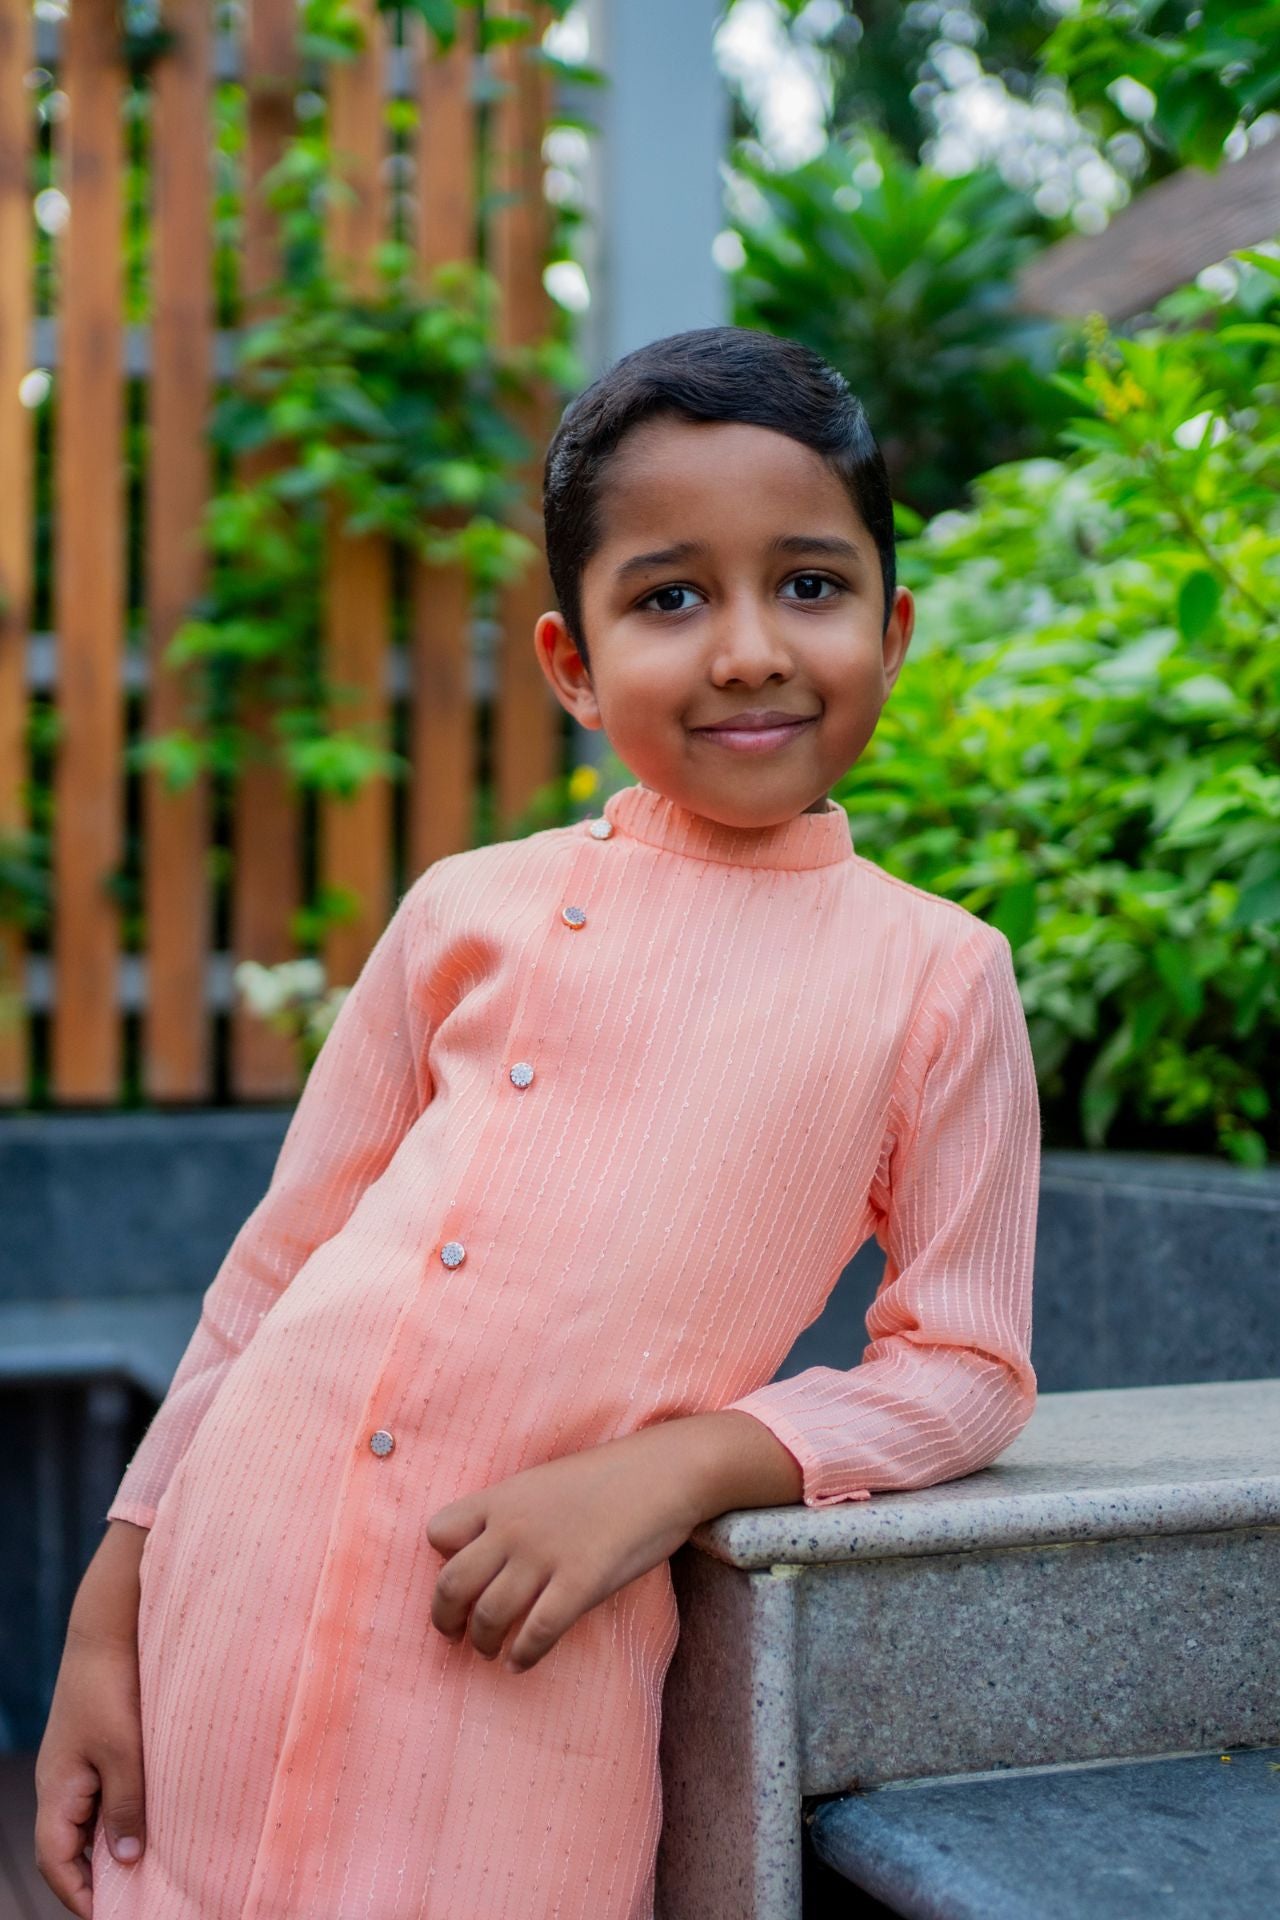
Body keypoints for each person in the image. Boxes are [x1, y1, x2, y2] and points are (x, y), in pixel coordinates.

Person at [35, 324, 1040, 1920]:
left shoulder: (935, 976)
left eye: (809, 584)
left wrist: (680, 1470)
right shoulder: (463, 911)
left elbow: (969, 1366)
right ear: (573, 664)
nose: (749, 652)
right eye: (671, 598)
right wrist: (112, 1603)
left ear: (891, 627)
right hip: (236, 1581)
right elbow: (274, 1271)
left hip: (521, 1660)